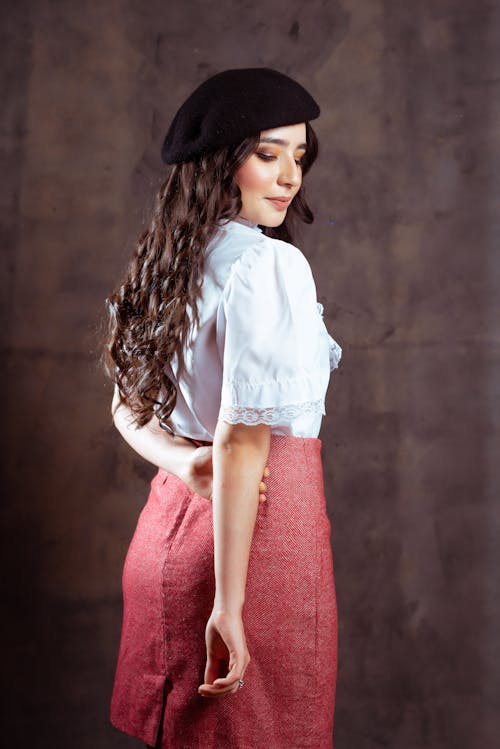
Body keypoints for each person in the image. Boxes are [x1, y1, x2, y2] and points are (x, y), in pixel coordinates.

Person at [101, 67, 342, 749]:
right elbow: (241, 446)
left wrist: (186, 463)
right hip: (255, 551)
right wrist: (229, 606)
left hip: (165, 541)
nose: (290, 175)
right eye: (268, 154)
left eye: (298, 155)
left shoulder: (166, 262)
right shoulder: (267, 266)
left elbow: (127, 409)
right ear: (218, 162)